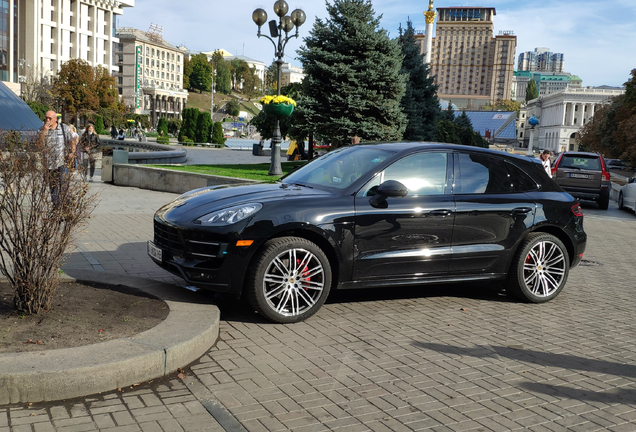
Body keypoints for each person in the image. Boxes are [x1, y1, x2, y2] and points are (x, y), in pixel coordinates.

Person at [39, 111, 78, 206]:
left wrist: (72, 152)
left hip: (62, 162)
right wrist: (43, 132)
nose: (47, 120)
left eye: (50, 118)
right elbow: (38, 145)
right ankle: (56, 208)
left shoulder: (64, 128)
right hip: (49, 164)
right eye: (46, 118)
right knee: (53, 188)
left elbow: (72, 141)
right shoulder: (42, 129)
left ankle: (67, 207)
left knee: (64, 186)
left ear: (55, 119)